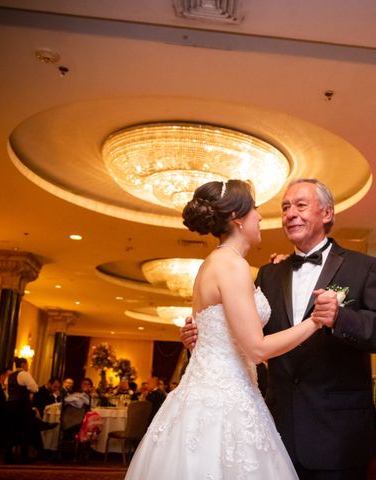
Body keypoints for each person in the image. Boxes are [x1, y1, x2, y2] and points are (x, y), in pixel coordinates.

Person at [182, 178, 376, 479]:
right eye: (285, 207)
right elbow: (249, 339)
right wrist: (201, 338)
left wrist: (341, 318)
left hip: (338, 433)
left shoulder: (363, 267)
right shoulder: (269, 274)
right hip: (274, 430)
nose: (289, 214)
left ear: (326, 214)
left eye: (300, 205)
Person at [125, 179, 324, 479]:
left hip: (210, 393)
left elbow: (207, 336)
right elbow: (256, 348)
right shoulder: (232, 266)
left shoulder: (212, 264)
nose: (260, 217)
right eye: (255, 209)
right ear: (237, 218)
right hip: (224, 403)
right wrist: (315, 320)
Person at [5, 357, 39, 463]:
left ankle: (8, 457)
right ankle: (24, 456)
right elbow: (35, 388)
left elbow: (7, 392)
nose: (28, 367)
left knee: (11, 431)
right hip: (21, 405)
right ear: (24, 364)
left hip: (10, 405)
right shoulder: (24, 374)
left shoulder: (9, 377)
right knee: (25, 430)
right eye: (27, 364)